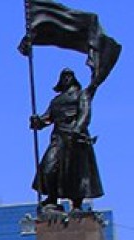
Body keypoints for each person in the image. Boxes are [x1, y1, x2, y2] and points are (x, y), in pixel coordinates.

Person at [30, 68, 103, 212]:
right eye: (64, 75)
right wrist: (37, 121)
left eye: (69, 75)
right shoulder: (56, 100)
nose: (67, 78)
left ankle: (76, 204)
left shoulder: (81, 95)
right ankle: (52, 199)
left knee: (75, 172)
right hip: (58, 138)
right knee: (48, 167)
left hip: (75, 139)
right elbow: (46, 119)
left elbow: (85, 114)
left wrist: (78, 128)